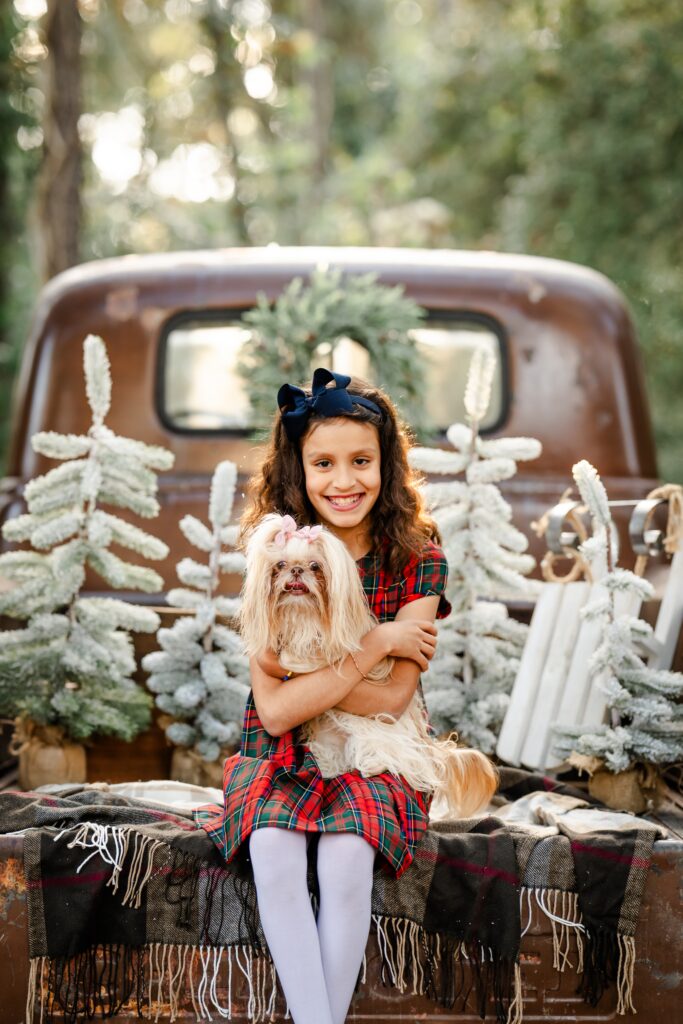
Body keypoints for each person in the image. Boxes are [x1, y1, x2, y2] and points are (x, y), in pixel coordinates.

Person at [195, 368, 452, 1024]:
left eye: (361, 461)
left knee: (347, 855)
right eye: (323, 463)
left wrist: (310, 680)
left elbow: (392, 701)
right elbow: (277, 711)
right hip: (278, 751)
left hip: (376, 753)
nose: (343, 481)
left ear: (387, 464)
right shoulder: (276, 550)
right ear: (298, 467)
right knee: (271, 850)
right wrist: (376, 643)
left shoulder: (416, 557)